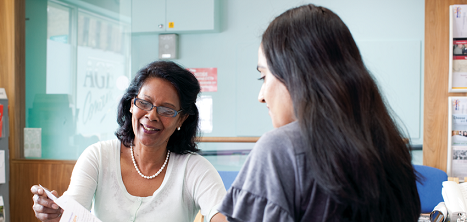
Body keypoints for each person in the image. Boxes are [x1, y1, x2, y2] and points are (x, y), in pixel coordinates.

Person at [218, 4, 421, 222]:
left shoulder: (279, 150)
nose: (262, 95)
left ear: (295, 73)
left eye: (264, 76)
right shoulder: (390, 148)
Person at [31, 61, 227, 222]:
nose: (151, 115)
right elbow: (72, 209)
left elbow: (223, 216)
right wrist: (53, 212)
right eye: (144, 102)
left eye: (166, 109)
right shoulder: (98, 156)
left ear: (182, 119)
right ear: (132, 104)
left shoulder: (194, 169)